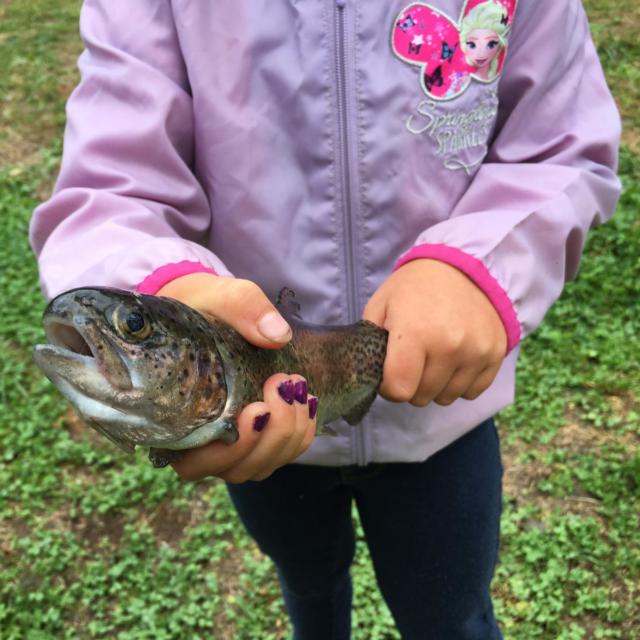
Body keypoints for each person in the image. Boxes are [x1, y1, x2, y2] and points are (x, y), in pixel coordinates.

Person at [29, 0, 621, 638]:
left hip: (440, 423)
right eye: (135, 334)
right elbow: (113, 179)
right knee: (308, 582)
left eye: (134, 332)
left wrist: (482, 260)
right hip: (260, 438)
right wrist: (162, 286)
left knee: (452, 616)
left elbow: (564, 149)